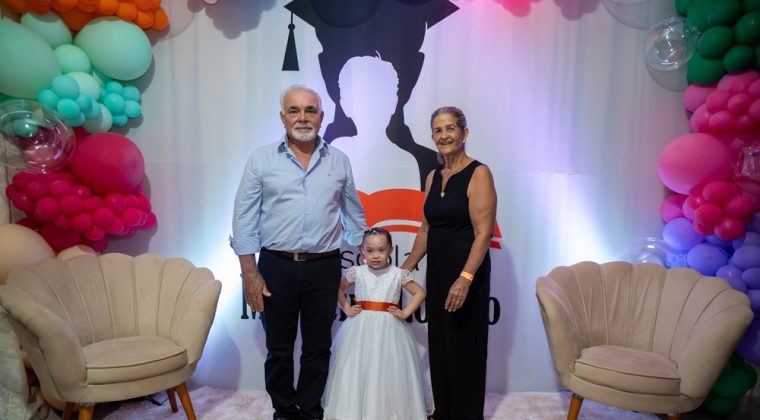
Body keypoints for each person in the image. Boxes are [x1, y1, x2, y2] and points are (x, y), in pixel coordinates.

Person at [230, 84, 367, 420]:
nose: (302, 117)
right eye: (294, 110)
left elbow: (354, 215)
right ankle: (284, 410)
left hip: (324, 267)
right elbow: (244, 219)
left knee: (318, 346)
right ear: (283, 117)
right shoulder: (261, 160)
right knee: (278, 347)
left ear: (321, 117)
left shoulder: (339, 160)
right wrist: (250, 273)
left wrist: (367, 257)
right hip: (276, 266)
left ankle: (309, 409)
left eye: (310, 110)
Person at [401, 106, 497, 420]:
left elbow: (483, 233)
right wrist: (406, 267)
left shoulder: (479, 173)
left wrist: (465, 278)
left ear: (464, 133)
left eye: (450, 128)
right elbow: (426, 229)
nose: (444, 135)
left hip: (466, 274)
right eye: (438, 130)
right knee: (441, 344)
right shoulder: (433, 176)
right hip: (439, 273)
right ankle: (443, 412)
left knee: (465, 347)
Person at [323, 227, 432, 420]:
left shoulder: (398, 274)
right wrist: (346, 308)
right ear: (362, 250)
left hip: (390, 330)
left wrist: (405, 312)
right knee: (357, 367)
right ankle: (352, 410)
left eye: (381, 250)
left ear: (391, 249)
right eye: (370, 250)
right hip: (360, 329)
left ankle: (388, 411)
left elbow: (420, 293)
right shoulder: (356, 272)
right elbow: (337, 288)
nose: (375, 255)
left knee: (388, 369)